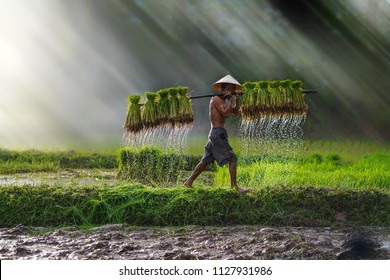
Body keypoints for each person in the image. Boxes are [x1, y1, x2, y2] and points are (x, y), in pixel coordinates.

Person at [184, 74, 249, 193]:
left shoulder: (225, 100)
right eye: (231, 89)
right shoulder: (216, 99)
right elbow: (224, 113)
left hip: (217, 133)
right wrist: (230, 99)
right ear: (225, 89)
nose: (233, 91)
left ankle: (188, 183)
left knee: (205, 161)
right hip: (217, 133)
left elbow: (235, 112)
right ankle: (234, 187)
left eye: (234, 90)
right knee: (232, 159)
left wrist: (237, 99)